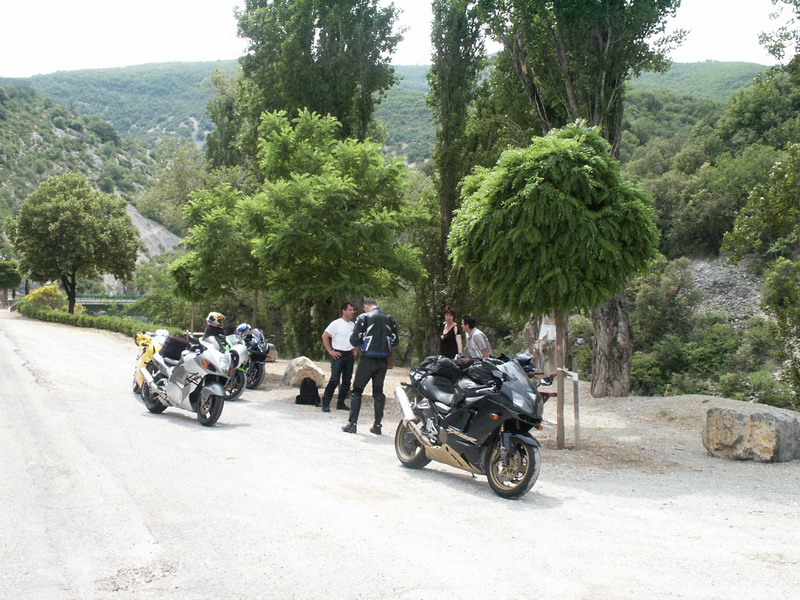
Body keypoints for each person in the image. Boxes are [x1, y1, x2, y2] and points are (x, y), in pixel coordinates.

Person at [342, 298, 398, 435]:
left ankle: (352, 424)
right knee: (378, 392)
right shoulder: (390, 318)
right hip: (383, 360)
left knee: (357, 390)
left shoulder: (364, 317)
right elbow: (395, 341)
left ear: (366, 306)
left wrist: (361, 344)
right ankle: (377, 425)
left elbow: (354, 339)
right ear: (376, 305)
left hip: (367, 359)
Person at [320, 302, 357, 413]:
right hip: (338, 355)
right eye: (350, 310)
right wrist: (330, 351)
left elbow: (357, 338)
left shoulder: (353, 325)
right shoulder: (336, 323)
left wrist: (356, 349)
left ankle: (341, 403)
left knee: (347, 381)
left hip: (349, 355)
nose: (352, 312)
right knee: (335, 379)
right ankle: (326, 402)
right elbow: (325, 336)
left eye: (353, 310)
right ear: (343, 311)